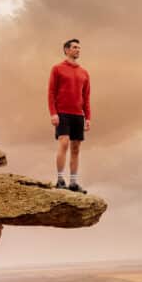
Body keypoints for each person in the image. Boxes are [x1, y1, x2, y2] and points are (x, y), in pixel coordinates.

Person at [48, 38, 91, 193]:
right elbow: (51, 92)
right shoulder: (57, 69)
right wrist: (53, 113)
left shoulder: (84, 72)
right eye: (74, 47)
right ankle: (60, 179)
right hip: (62, 113)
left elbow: (86, 97)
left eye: (79, 47)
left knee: (76, 148)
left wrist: (88, 118)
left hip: (78, 115)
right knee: (64, 143)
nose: (77, 50)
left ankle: (73, 183)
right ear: (66, 50)